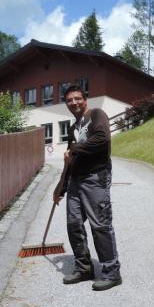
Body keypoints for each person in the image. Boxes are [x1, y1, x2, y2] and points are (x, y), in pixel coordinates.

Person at [53, 85, 122, 291]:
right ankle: (84, 268)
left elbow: (102, 139)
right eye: (69, 100)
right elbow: (70, 162)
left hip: (95, 178)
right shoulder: (73, 128)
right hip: (76, 180)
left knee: (100, 225)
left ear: (85, 99)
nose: (73, 103)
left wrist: (74, 149)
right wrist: (60, 188)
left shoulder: (97, 115)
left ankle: (111, 272)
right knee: (73, 224)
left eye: (77, 98)